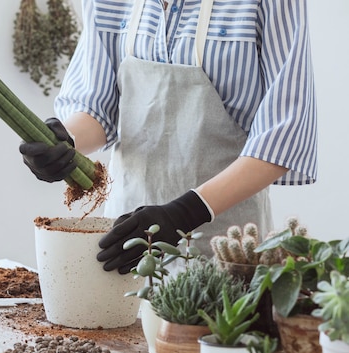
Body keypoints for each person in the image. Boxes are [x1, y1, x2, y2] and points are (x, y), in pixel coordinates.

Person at [19, 0, 317, 274]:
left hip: (227, 248)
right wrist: (64, 143)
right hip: (127, 245)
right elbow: (97, 109)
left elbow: (283, 134)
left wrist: (187, 212)